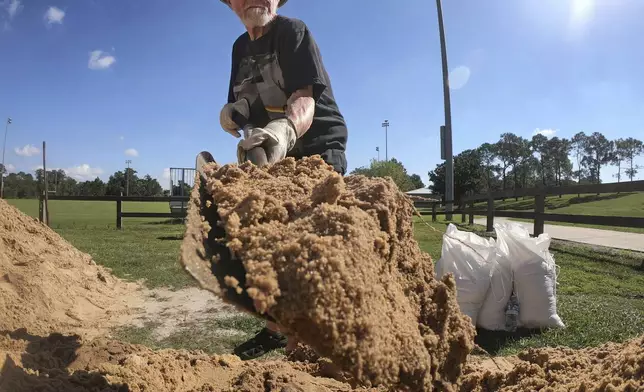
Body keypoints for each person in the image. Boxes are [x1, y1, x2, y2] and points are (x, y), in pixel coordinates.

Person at [217, 0, 349, 360]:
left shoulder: (292, 31)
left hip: (317, 147)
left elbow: (304, 98)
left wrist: (284, 131)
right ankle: (279, 330)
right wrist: (236, 115)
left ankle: (317, 341)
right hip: (276, 156)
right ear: (231, 4)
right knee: (272, 243)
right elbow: (244, 102)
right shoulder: (239, 48)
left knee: (310, 247)